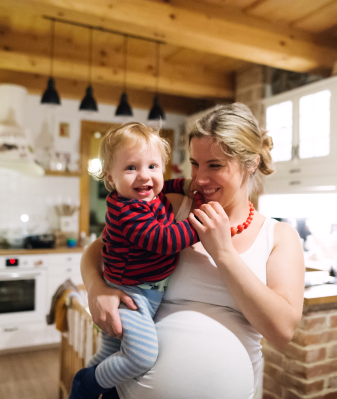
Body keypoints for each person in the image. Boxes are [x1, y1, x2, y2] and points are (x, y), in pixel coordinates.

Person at [81, 103, 305, 399]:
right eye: (195, 164)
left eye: (214, 165)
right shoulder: (172, 206)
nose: (198, 179)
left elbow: (282, 331)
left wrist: (224, 253)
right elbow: (98, 249)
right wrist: (97, 288)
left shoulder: (279, 236)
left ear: (250, 163)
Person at [70, 122, 200, 399]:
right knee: (141, 357)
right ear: (110, 177)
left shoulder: (150, 195)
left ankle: (83, 393)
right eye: (131, 168)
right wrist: (198, 226)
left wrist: (187, 185)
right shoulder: (127, 211)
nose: (145, 177)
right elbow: (162, 241)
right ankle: (87, 383)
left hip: (139, 293)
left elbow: (166, 186)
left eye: (153, 166)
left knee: (108, 352)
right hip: (130, 295)